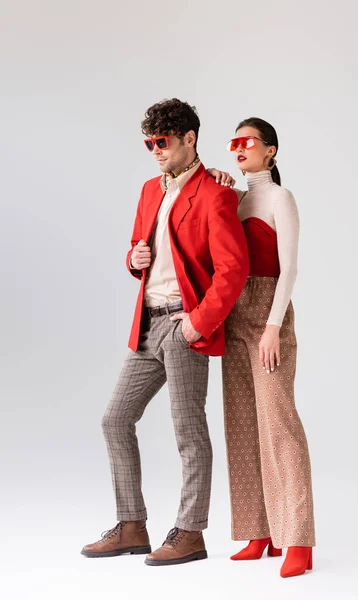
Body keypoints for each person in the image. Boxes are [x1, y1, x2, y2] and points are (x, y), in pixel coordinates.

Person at [81, 99, 249, 566]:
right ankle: (132, 525)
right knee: (115, 419)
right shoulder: (148, 191)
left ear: (189, 139)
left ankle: (191, 532)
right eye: (149, 143)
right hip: (148, 322)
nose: (155, 151)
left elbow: (233, 270)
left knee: (188, 432)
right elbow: (140, 246)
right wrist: (133, 259)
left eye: (163, 142)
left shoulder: (215, 194)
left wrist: (197, 323)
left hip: (184, 325)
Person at [209, 118, 316, 578]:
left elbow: (289, 269)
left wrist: (273, 327)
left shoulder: (279, 198)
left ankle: (297, 539)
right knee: (241, 422)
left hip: (267, 313)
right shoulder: (233, 199)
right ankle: (259, 531)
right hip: (233, 315)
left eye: (246, 142)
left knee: (279, 423)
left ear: (270, 150)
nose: (238, 149)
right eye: (233, 142)